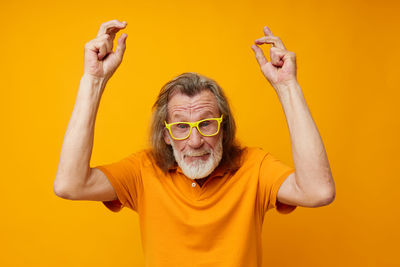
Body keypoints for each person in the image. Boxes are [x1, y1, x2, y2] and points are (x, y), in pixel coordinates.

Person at [54, 19, 335, 267]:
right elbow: (69, 185)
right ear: (165, 134)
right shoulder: (143, 170)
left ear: (224, 128)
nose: (195, 140)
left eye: (207, 123)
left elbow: (318, 191)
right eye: (180, 127)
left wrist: (287, 86)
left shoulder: (254, 167)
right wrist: (93, 80)